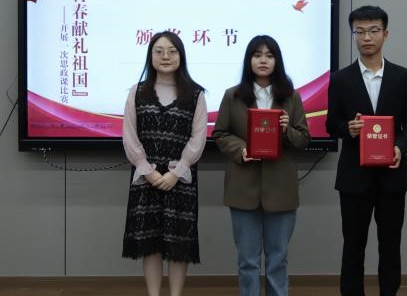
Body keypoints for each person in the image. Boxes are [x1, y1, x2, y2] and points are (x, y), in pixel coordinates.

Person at [326, 6, 407, 296]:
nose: (367, 37)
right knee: (353, 246)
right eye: (360, 31)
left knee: (390, 245)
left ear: (385, 34)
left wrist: (400, 147)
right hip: (354, 177)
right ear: (353, 35)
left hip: (392, 176)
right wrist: (348, 128)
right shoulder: (340, 79)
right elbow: (331, 124)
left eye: (373, 30)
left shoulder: (403, 77)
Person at [213, 35, 310, 296]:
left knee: (278, 259)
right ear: (249, 60)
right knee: (248, 261)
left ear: (277, 61)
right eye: (257, 55)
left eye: (269, 55)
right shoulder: (232, 95)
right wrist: (241, 150)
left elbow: (303, 139)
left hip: (281, 189)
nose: (263, 60)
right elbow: (220, 134)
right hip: (243, 187)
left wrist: (287, 130)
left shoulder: (291, 97)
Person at [121, 31, 207, 296]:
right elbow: (129, 135)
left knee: (178, 245)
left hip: (180, 180)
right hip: (145, 179)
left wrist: (176, 172)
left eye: (172, 51)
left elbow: (198, 138)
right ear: (151, 56)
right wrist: (147, 171)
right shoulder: (137, 92)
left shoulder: (195, 94)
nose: (165, 56)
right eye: (159, 51)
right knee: (151, 244)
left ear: (181, 56)